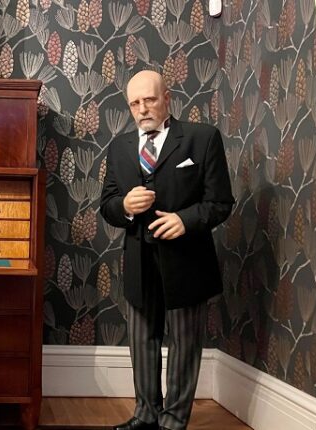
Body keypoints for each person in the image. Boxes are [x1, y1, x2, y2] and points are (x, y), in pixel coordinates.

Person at [99, 70, 234, 430]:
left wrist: (184, 220)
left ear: (167, 97)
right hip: (138, 262)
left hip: (187, 261)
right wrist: (125, 205)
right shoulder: (119, 148)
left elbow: (220, 202)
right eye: (135, 103)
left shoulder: (202, 139)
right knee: (141, 341)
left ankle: (173, 422)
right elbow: (107, 206)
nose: (142, 109)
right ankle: (146, 415)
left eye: (150, 99)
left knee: (184, 344)